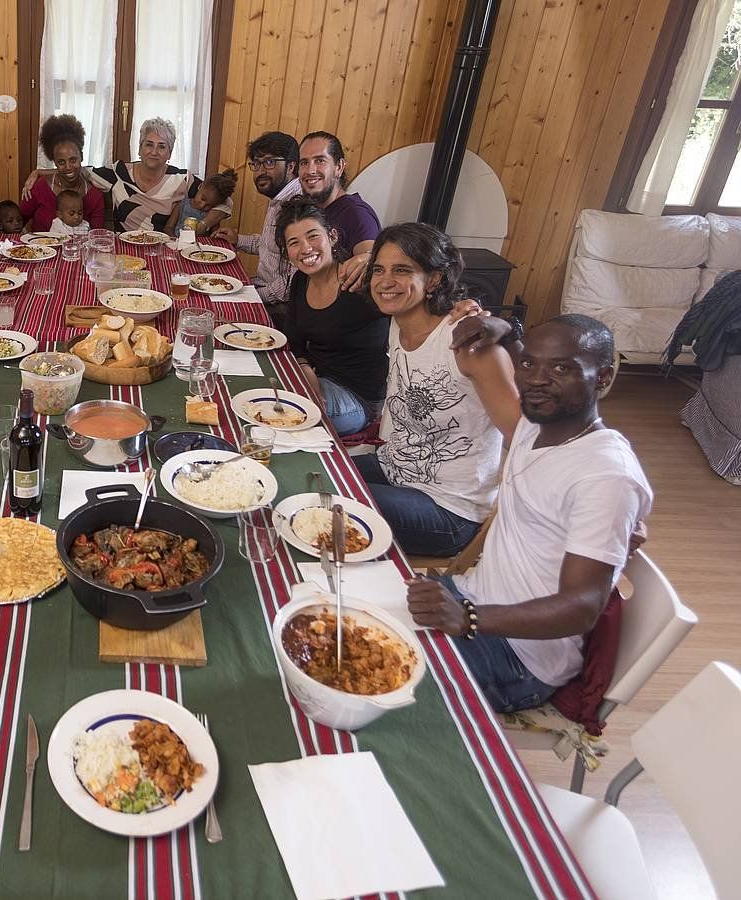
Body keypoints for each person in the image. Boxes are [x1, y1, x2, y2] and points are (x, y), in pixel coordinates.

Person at [407, 315, 654, 713]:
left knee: (370, 688)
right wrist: (504, 327)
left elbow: (582, 605)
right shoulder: (532, 425)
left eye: (562, 368)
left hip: (519, 659)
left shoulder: (605, 475)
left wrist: (469, 617)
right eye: (528, 364)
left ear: (604, 378)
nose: (537, 379)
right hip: (469, 596)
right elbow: (518, 350)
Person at [355, 223, 519, 556]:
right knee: (310, 471)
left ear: (434, 279)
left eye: (402, 270)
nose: (385, 282)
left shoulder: (469, 343)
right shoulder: (398, 321)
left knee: (330, 504)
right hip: (394, 468)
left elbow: (526, 437)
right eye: (379, 270)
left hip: (449, 510)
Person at [277, 197, 388, 436]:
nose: (306, 248)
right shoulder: (300, 280)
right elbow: (293, 340)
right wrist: (306, 369)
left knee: (278, 414)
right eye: (294, 242)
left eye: (313, 236)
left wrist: (372, 258)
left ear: (333, 236)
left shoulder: (359, 281)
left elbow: (406, 286)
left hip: (359, 399)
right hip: (316, 377)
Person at [24, 117, 230, 235]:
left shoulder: (182, 179)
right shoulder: (117, 173)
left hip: (164, 251)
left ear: (169, 152)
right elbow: (76, 168)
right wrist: (40, 171)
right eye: (148, 144)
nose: (154, 151)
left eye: (162, 146)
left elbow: (225, 201)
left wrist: (205, 224)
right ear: (139, 148)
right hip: (125, 250)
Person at [215, 132, 303, 331]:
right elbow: (271, 246)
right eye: (256, 164)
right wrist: (238, 240)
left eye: (269, 163)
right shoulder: (279, 199)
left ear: (291, 166)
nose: (260, 171)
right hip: (266, 290)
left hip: (282, 308)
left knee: (210, 315)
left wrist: (253, 295)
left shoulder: (296, 205)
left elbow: (293, 281)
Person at [298, 131, 381, 290]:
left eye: (320, 160)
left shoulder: (356, 213)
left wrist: (368, 258)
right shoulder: (313, 210)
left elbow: (372, 258)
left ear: (339, 167)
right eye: (304, 162)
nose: (310, 170)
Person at [18, 114, 105, 231]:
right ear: (54, 162)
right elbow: (19, 220)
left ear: (82, 157)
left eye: (73, 160)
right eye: (61, 162)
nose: (68, 167)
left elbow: (96, 235)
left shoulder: (95, 196)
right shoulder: (39, 186)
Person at [178, 169, 238, 237]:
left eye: (209, 205)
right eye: (203, 199)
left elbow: (215, 234)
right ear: (200, 186)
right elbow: (169, 227)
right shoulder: (183, 205)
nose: (202, 205)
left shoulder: (209, 214)